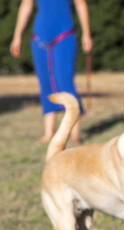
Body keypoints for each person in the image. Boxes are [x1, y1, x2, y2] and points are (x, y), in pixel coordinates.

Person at [10, 0, 92, 144]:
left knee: (65, 82)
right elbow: (26, 5)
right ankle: (49, 132)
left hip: (64, 35)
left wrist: (86, 33)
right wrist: (17, 36)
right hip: (39, 37)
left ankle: (74, 134)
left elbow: (80, 4)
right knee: (45, 83)